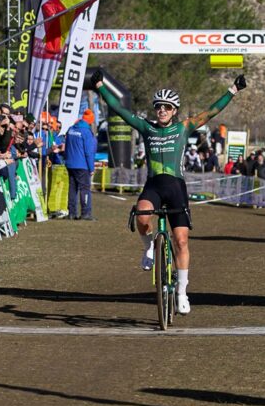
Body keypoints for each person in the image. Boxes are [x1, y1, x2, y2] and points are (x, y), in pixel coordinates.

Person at [93, 70, 247, 316]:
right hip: (154, 185)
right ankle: (148, 248)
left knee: (182, 241)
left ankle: (182, 293)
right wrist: (100, 85)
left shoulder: (184, 128)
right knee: (142, 217)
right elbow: (119, 109)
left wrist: (233, 90)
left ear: (174, 110)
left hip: (176, 187)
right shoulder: (146, 127)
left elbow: (211, 112)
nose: (162, 110)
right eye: (158, 107)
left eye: (167, 107)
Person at [64, 109, 97, 220]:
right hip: (82, 165)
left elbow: (66, 147)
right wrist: (91, 168)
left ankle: (71, 213)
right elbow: (89, 152)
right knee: (85, 189)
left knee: (72, 189)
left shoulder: (71, 129)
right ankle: (85, 213)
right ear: (90, 121)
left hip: (70, 164)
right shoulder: (86, 132)